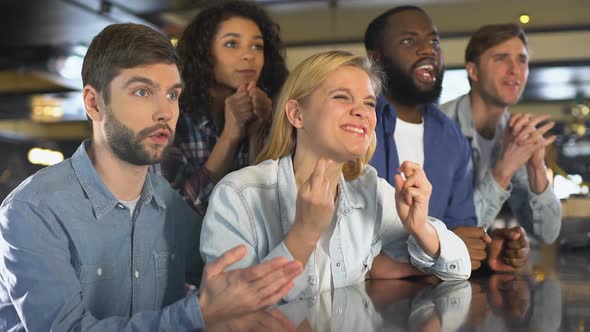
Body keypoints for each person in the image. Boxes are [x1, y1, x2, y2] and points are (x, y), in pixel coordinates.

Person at [0, 23, 302, 331]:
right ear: (93, 103)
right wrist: (198, 314)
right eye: (142, 92)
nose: (165, 112)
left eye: (172, 94)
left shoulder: (167, 201)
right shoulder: (33, 209)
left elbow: (233, 283)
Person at [200, 50, 471, 302]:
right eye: (341, 97)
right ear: (296, 114)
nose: (362, 111)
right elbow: (228, 310)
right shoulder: (239, 195)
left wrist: (420, 227)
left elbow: (459, 268)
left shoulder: (369, 189)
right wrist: (304, 234)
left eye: (368, 102)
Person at [363, 6, 491, 270]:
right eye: (409, 41)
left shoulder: (451, 136)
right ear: (375, 59)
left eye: (434, 41)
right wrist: (447, 250)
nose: (428, 50)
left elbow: (462, 229)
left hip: (436, 300)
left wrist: (487, 248)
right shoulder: (356, 125)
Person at [440, 23, 562, 269]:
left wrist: (536, 167)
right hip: (430, 281)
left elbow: (547, 233)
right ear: (473, 71)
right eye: (502, 58)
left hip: (477, 275)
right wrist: (504, 170)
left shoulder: (515, 134)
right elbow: (446, 234)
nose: (515, 70)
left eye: (522, 60)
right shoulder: (439, 128)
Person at [154, 0, 288, 216]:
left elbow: (267, 209)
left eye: (257, 46)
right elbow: (175, 214)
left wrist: (258, 132)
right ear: (204, 53)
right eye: (232, 44)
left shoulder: (273, 114)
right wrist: (230, 136)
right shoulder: (170, 119)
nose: (249, 55)